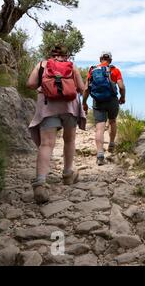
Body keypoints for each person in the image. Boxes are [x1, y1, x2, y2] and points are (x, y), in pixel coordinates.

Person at [27, 46, 86, 204]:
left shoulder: (42, 64)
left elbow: (31, 84)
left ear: (50, 55)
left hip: (48, 107)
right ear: (66, 55)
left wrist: (47, 84)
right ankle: (67, 174)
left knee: (46, 144)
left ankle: (40, 183)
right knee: (69, 140)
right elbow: (81, 88)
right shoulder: (72, 66)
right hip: (69, 108)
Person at [82, 51, 126, 165]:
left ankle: (100, 155)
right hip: (112, 100)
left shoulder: (92, 70)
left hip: (98, 101)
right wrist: (122, 97)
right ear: (110, 60)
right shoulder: (114, 70)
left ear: (100, 59)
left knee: (99, 128)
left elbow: (86, 88)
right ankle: (111, 143)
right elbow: (121, 86)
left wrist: (84, 103)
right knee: (112, 121)